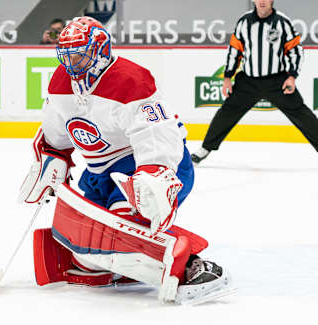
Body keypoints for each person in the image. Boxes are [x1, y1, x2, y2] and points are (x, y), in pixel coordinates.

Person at [19, 16, 232, 304]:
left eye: (79, 57)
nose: (71, 65)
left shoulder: (130, 81)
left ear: (99, 51)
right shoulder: (61, 82)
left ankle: (195, 265)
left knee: (120, 231)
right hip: (99, 172)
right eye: (66, 56)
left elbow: (157, 133)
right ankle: (127, 264)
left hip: (147, 165)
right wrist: (53, 159)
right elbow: (56, 134)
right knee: (88, 253)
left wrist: (153, 174)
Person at [192, 0, 318, 164]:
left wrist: (292, 76)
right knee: (227, 112)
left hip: (277, 81)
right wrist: (227, 77)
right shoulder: (244, 22)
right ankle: (205, 148)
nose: (262, 1)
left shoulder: (282, 22)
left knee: (301, 113)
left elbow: (296, 51)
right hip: (249, 82)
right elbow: (234, 50)